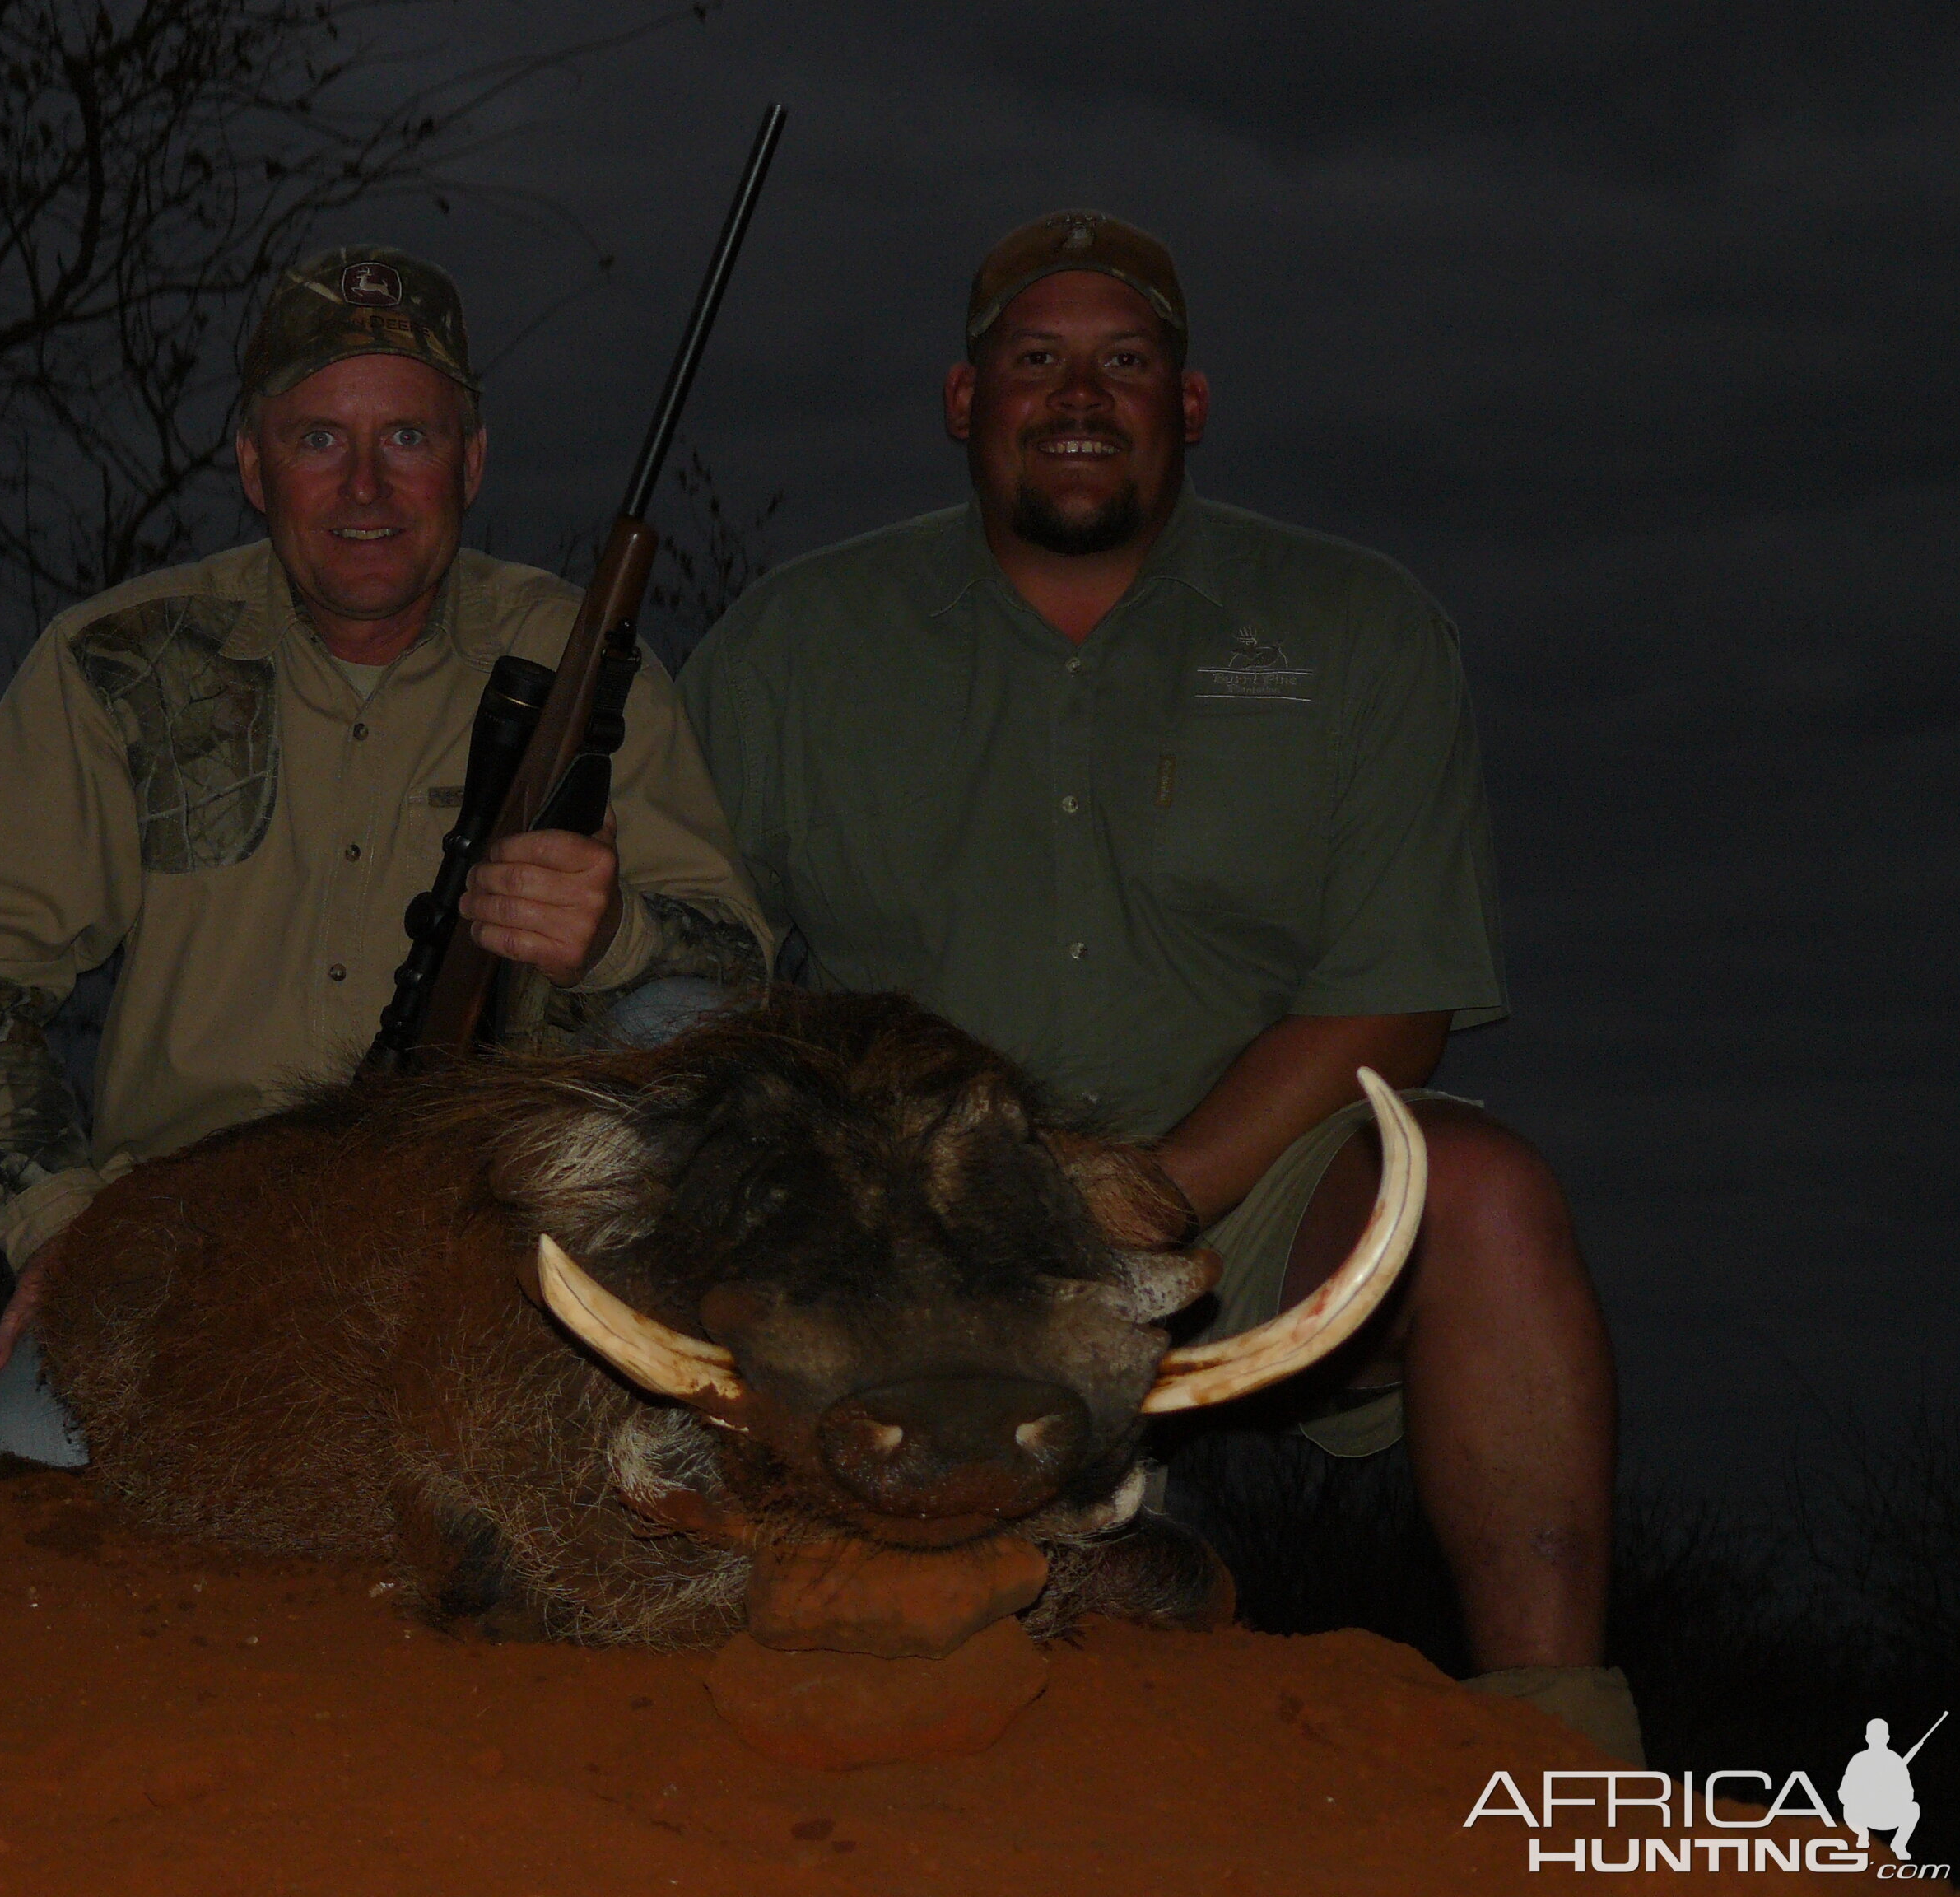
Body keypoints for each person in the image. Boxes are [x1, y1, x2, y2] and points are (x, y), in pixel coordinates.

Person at [677, 210, 1633, 1760]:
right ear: (961, 400)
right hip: (907, 1220)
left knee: (1492, 1198)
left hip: (1234, 1189)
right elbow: (692, 959)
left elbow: (1397, 995)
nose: (1077, 393)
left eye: (1124, 361)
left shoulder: (1357, 625)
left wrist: (1157, 1188)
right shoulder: (788, 643)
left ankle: (1554, 1740)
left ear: (1184, 407)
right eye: (1033, 357)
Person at [0, 244, 773, 1465]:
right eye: (318, 441)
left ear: (471, 461)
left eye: (408, 440)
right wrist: (58, 1224)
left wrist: (613, 932)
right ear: (254, 468)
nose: (366, 487)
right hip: (190, 1238)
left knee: (672, 1018)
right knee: (35, 1477)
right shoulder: (114, 662)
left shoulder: (587, 660)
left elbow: (736, 979)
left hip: (497, 1239)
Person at [1840, 1718, 1925, 1860]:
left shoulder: (1895, 1761)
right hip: (1863, 1814)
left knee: (1913, 1808)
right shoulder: (1859, 1760)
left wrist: (1888, 1791)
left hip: (1888, 1815)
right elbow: (1844, 1793)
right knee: (1848, 1809)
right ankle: (1862, 1835)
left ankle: (1898, 1844)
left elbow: (1908, 1794)